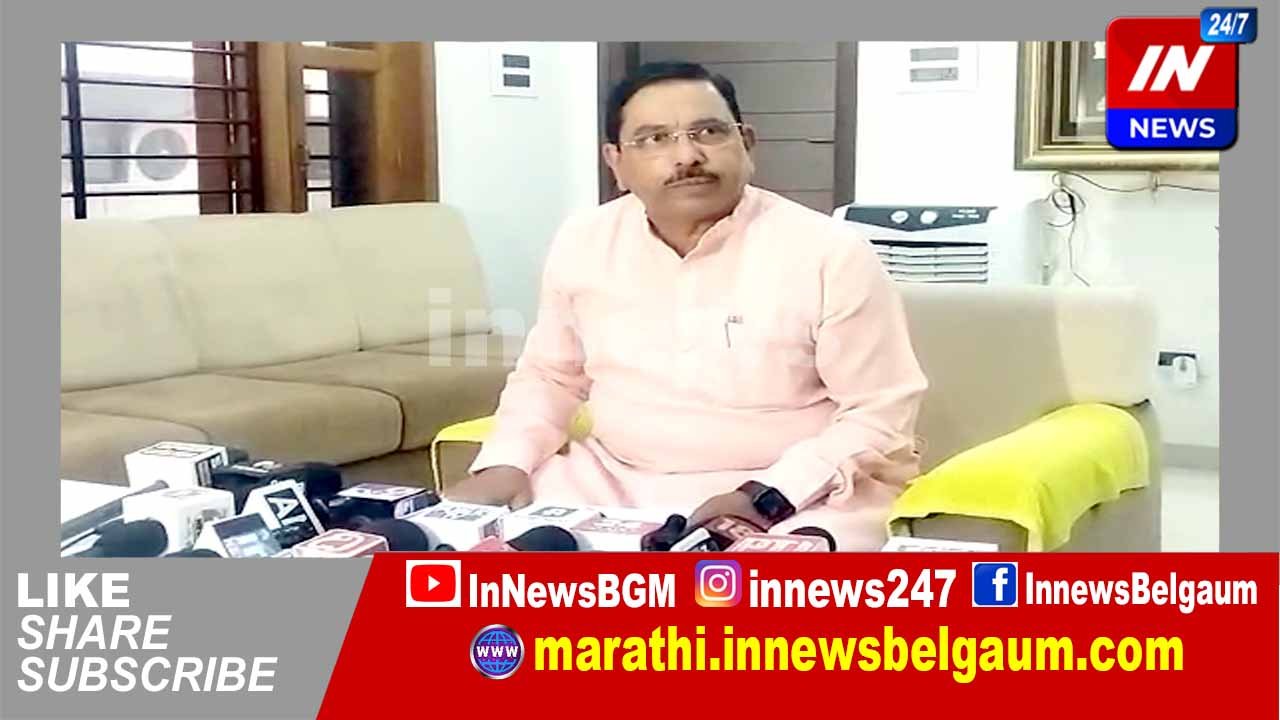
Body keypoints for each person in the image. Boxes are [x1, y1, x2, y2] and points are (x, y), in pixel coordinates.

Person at [445, 61, 929, 550]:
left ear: (747, 144)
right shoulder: (584, 240)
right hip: (613, 479)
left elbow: (879, 412)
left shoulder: (830, 252)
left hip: (791, 492)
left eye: (709, 132)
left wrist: (767, 497)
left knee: (777, 580)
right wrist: (504, 463)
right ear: (616, 162)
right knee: (490, 557)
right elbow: (551, 376)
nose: (687, 156)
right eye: (655, 139)